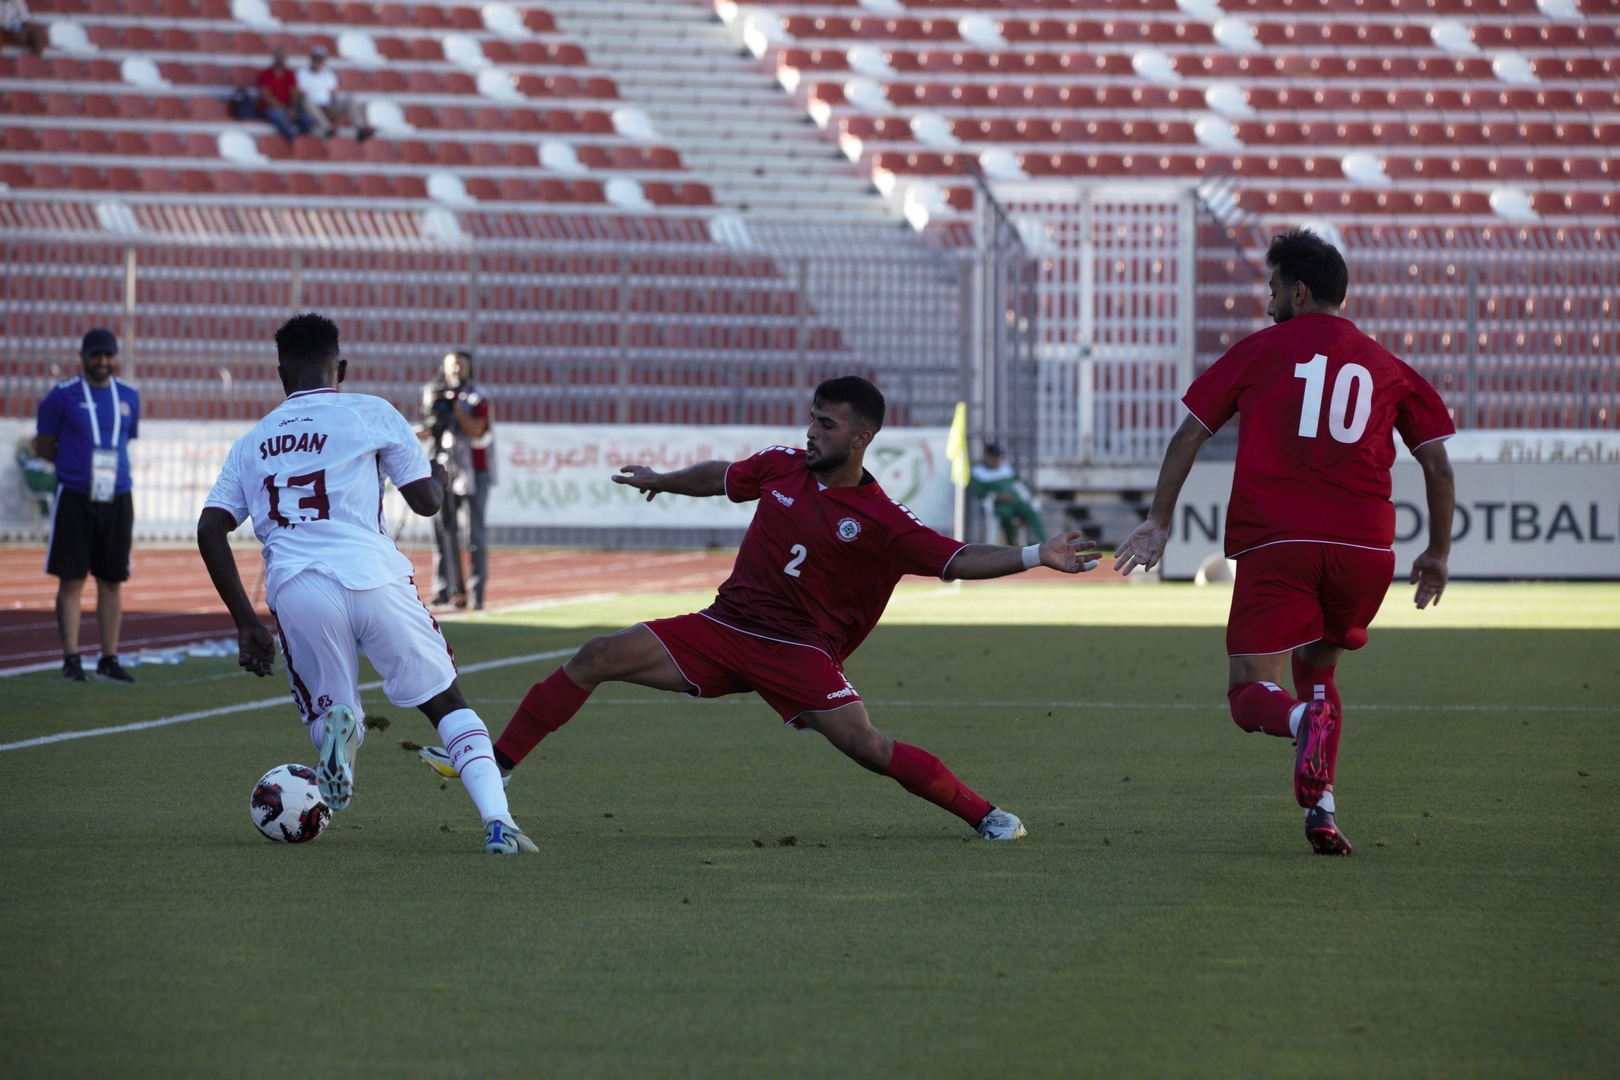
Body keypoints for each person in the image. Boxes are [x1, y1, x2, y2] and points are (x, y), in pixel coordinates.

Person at [475, 376, 1102, 841]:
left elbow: (958, 557)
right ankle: (494, 767)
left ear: (861, 438)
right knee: (597, 655)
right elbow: (723, 477)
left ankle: (987, 816)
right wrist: (664, 480)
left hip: (798, 652)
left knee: (868, 747)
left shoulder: (882, 520)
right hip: (722, 628)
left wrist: (1034, 554)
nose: (812, 433)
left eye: (827, 425)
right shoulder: (782, 467)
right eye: (812, 420)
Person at [1113, 229, 1456, 856]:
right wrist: (1437, 553)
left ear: (1298, 292)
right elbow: (1436, 464)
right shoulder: (1388, 365)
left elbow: (1189, 434)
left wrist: (1159, 520)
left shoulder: (1262, 350)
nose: (1267, 300)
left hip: (1281, 538)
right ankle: (1321, 809)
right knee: (1318, 668)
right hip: (1365, 550)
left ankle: (1301, 720)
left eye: (1272, 287)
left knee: (1249, 691)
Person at [196, 313, 538, 854]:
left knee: (328, 707)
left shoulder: (251, 442)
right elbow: (425, 503)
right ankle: (499, 822)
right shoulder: (371, 411)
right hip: (375, 576)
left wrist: (245, 623)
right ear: (342, 368)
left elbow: (210, 528)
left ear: (281, 374)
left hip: (299, 585)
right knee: (446, 702)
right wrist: (439, 478)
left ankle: (343, 731)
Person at [33, 328, 140, 684]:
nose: (103, 362)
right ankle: (71, 659)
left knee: (112, 580)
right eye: (96, 355)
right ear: (83, 357)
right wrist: (73, 468)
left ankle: (108, 658)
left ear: (115, 357)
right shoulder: (61, 396)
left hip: (117, 496)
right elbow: (43, 445)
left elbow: (125, 439)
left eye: (108, 355)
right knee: (72, 579)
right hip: (76, 496)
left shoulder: (129, 395)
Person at [419, 350, 493, 609]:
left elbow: (477, 430)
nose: (457, 370)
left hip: (474, 472)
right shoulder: (434, 394)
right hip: (444, 470)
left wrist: (456, 407)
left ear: (470, 369)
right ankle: (445, 591)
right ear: (444, 368)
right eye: (452, 365)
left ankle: (476, 595)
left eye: (462, 365)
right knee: (441, 533)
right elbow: (433, 428)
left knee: (474, 537)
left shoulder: (478, 397)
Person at [968, 443, 1045, 545]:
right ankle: (1011, 543)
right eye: (994, 456)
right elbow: (980, 493)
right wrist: (998, 497)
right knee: (1005, 516)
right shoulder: (978, 473)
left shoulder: (1006, 468)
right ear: (987, 457)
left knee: (1031, 511)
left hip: (1015, 502)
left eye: (998, 456)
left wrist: (1028, 495)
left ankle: (1043, 541)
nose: (996, 459)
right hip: (999, 505)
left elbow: (1020, 483)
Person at [296, 45, 372, 140]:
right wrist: (321, 105)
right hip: (314, 109)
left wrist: (331, 104)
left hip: (329, 107)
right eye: (316, 58)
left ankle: (360, 128)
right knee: (307, 103)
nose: (318, 61)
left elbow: (333, 93)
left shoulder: (328, 74)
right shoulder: (302, 73)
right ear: (312, 58)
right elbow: (301, 94)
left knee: (350, 99)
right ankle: (327, 128)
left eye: (320, 59)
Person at [255, 47, 312, 142]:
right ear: (274, 57)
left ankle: (301, 142)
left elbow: (294, 94)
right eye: (279, 57)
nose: (281, 59)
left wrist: (293, 109)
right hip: (270, 108)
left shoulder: (289, 74)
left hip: (287, 107)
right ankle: (291, 143)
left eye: (283, 57)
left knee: (307, 120)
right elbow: (266, 96)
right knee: (281, 119)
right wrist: (284, 109)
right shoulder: (265, 74)